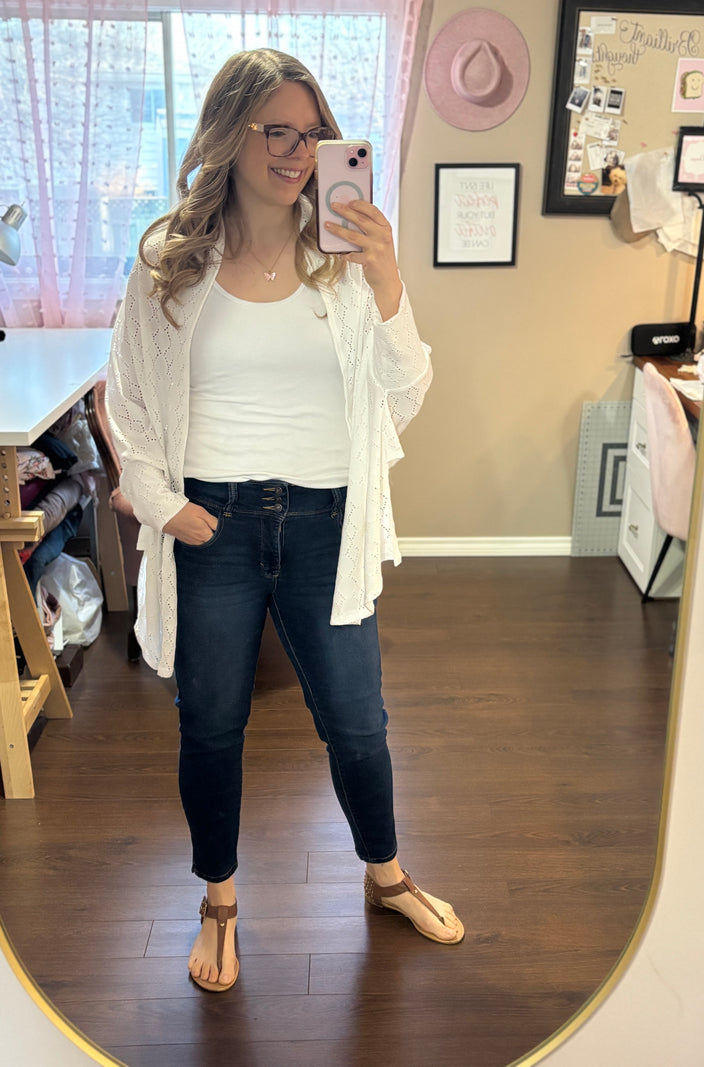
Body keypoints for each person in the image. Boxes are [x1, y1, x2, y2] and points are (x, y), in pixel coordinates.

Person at [106, 47, 464, 993]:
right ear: (228, 133)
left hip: (327, 524)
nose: (297, 151)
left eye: (311, 132)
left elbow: (408, 393)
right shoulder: (166, 264)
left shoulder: (344, 263)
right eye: (276, 129)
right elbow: (128, 402)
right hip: (210, 526)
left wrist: (388, 279)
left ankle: (387, 876)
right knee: (211, 725)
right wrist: (167, 506)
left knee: (357, 722)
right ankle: (219, 900)